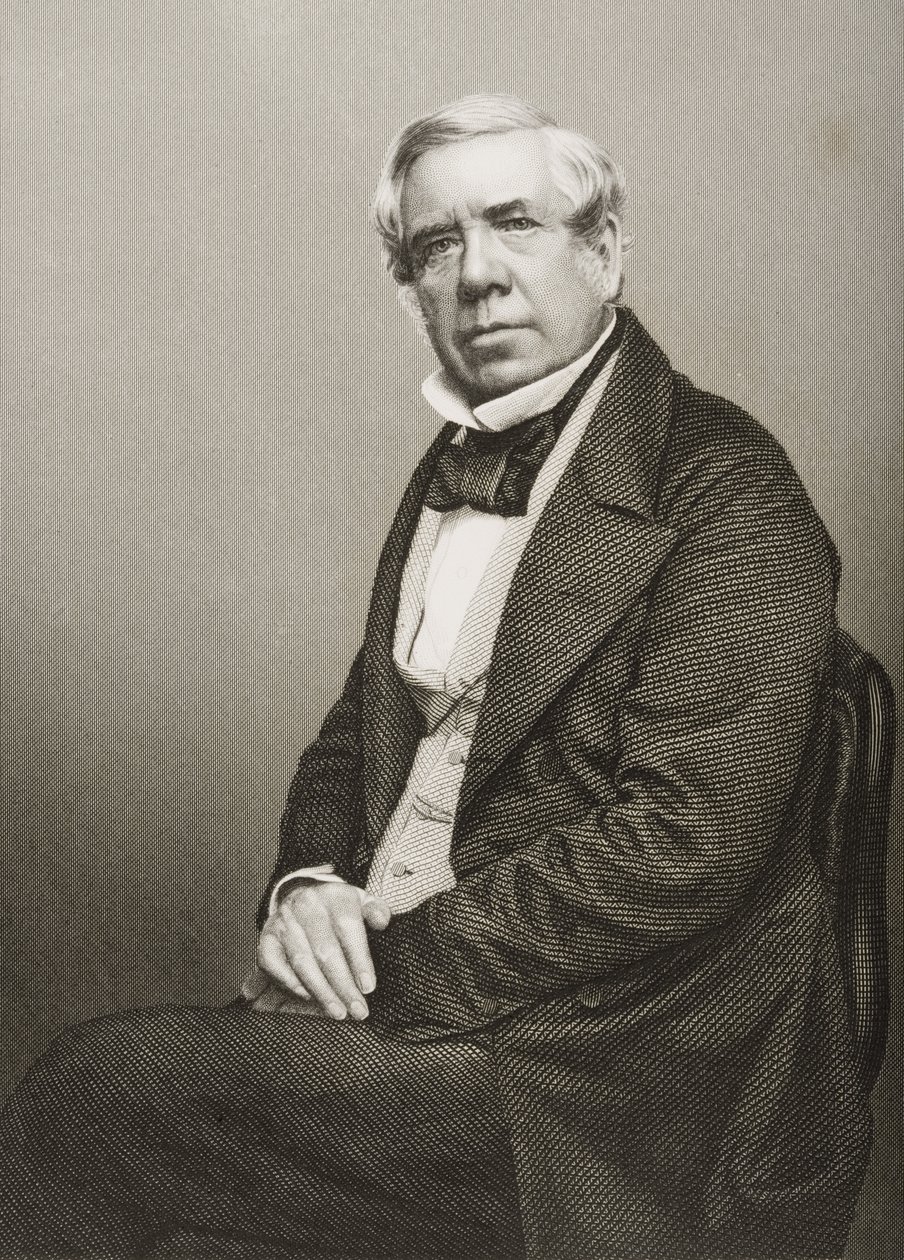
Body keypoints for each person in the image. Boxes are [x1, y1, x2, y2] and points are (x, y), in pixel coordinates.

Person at [0, 95, 874, 1260]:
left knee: (94, 1096)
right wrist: (308, 885)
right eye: (437, 245)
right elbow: (360, 732)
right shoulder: (455, 457)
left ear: (604, 252)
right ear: (410, 285)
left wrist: (385, 969)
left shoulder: (729, 486)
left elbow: (683, 849)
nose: (479, 276)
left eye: (515, 223)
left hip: (609, 1069)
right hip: (438, 1016)